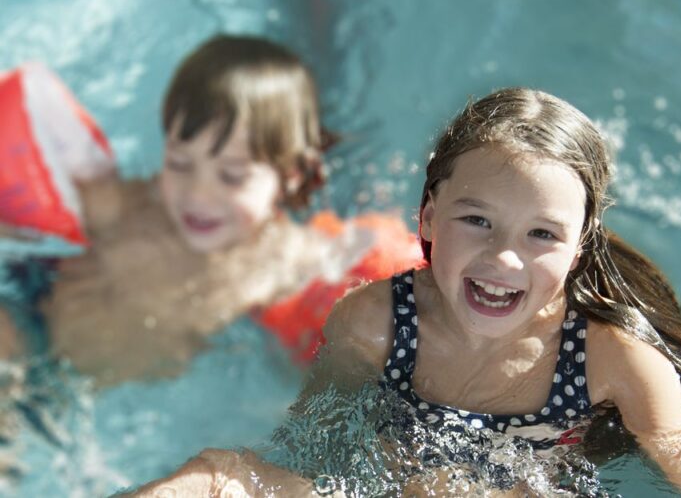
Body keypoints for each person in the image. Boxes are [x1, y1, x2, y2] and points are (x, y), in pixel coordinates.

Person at [128, 88, 681, 497]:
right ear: (426, 219)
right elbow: (315, 448)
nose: (503, 257)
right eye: (476, 220)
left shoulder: (614, 360)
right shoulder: (373, 322)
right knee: (216, 474)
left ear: (578, 248)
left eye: (541, 234)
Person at [0, 34, 422, 385]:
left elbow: (343, 271)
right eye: (180, 164)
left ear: (291, 175)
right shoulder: (133, 205)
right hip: (29, 310)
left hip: (65, 386)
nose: (198, 194)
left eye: (231, 176)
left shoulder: (276, 263)